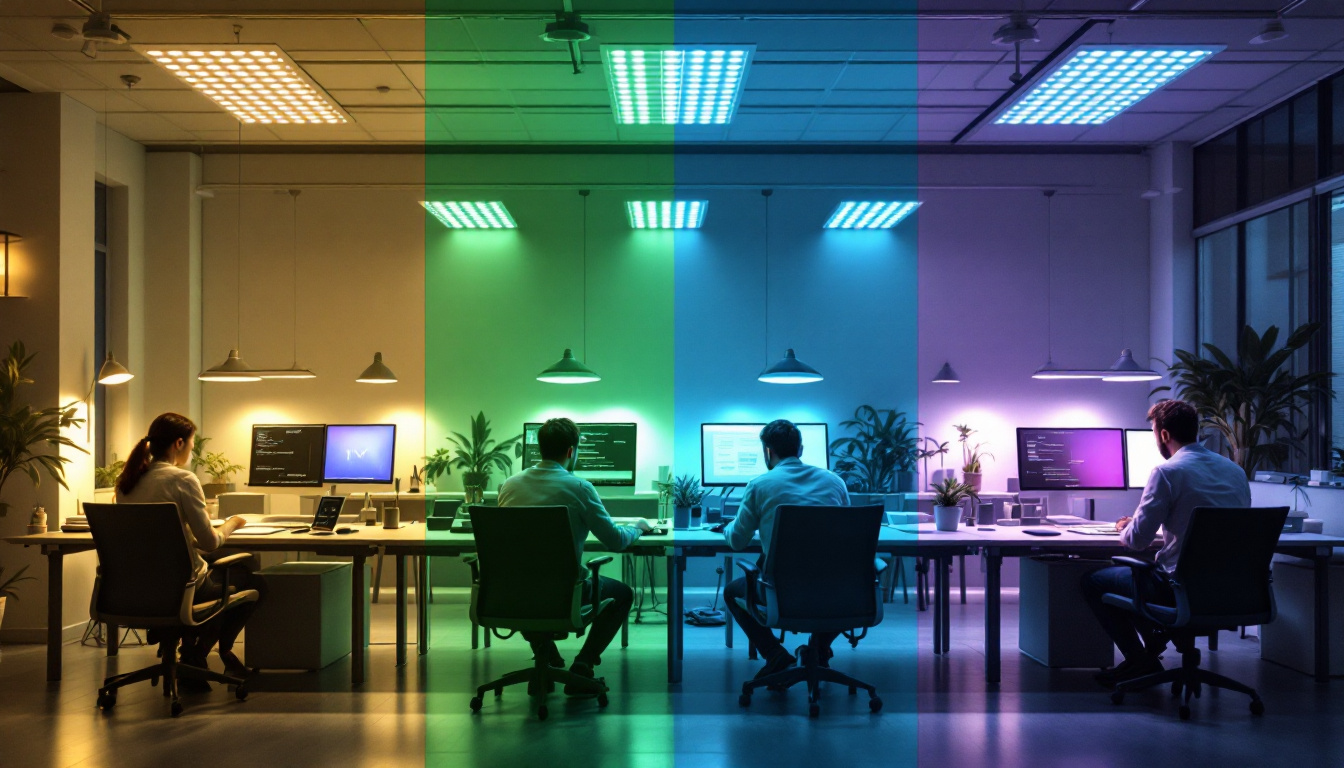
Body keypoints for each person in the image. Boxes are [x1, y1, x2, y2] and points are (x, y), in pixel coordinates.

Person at [1082, 399, 1250, 685]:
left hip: (1179, 589)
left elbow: (1136, 540)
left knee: (1095, 581)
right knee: (1142, 576)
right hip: (1230, 590)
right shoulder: (1235, 471)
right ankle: (1153, 648)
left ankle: (1141, 660)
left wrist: (1127, 526)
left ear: (1163, 435)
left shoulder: (1168, 472)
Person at [496, 417, 651, 695]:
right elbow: (615, 540)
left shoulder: (509, 485)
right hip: (564, 594)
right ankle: (584, 664)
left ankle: (548, 658)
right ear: (571, 451)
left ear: (538, 448)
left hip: (513, 594)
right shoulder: (579, 487)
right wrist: (636, 529)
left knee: (529, 590)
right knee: (622, 594)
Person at [115, 413, 267, 686]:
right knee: (253, 580)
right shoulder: (182, 480)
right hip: (182, 587)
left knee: (227, 569)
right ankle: (199, 652)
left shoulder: (125, 482)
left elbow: (153, 537)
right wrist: (232, 523)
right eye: (192, 444)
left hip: (134, 589)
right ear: (178, 443)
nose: (192, 450)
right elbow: (210, 542)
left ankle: (191, 652)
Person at [721, 419, 850, 682]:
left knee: (733, 592)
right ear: (800, 449)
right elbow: (847, 535)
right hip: (836, 591)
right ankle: (820, 648)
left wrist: (727, 526)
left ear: (768, 451)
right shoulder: (835, 482)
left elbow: (736, 541)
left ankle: (774, 654)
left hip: (781, 591)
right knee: (837, 587)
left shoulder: (760, 485)